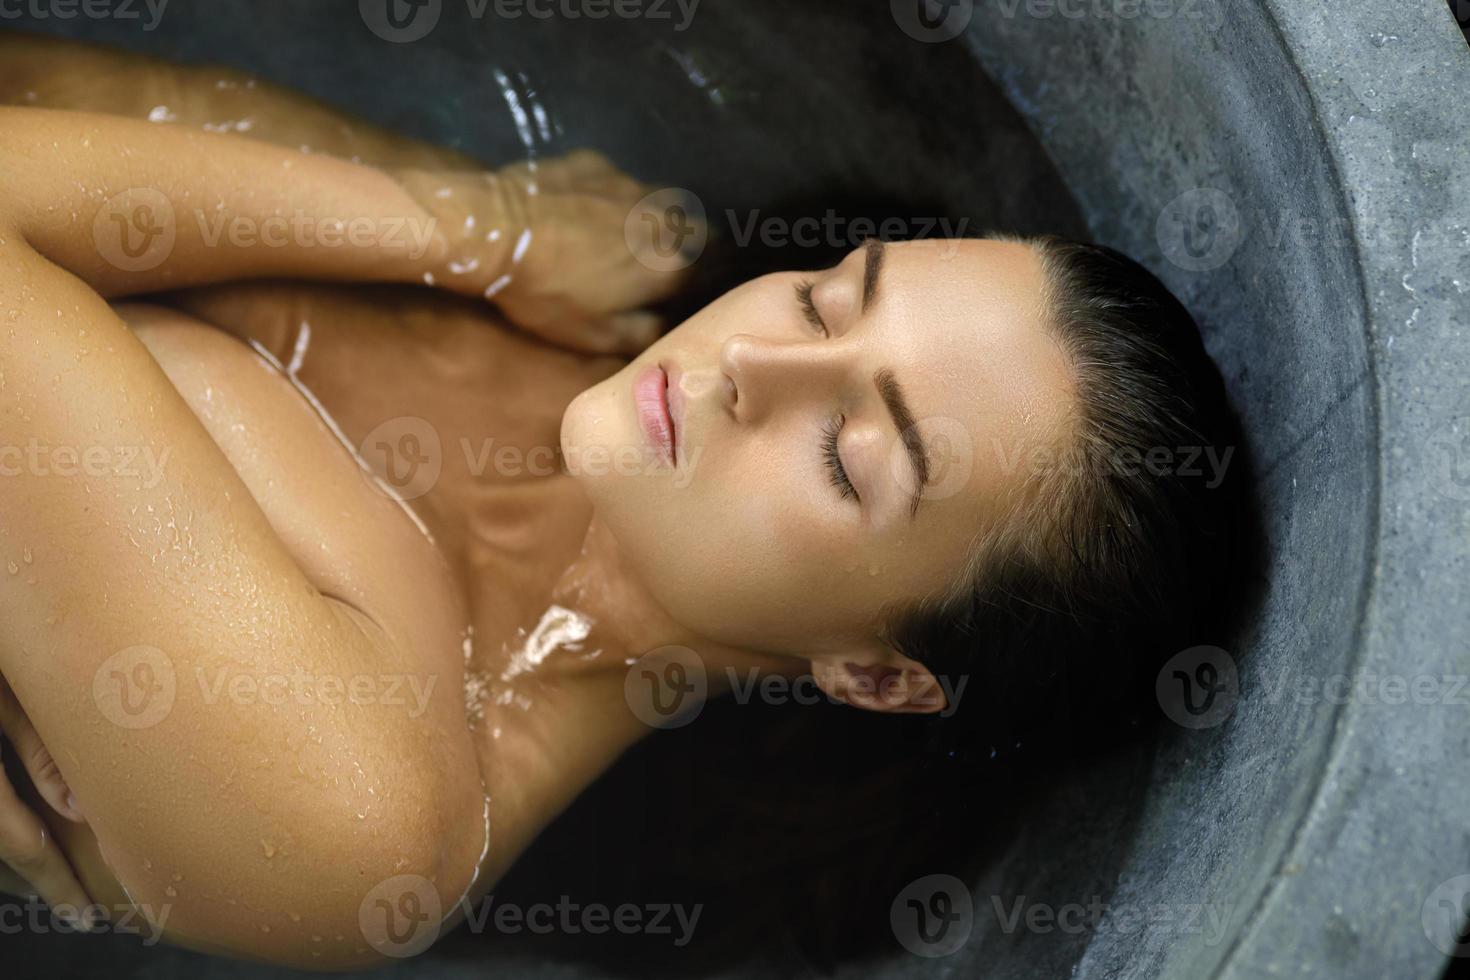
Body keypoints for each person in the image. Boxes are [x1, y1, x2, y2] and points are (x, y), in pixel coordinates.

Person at [0, 33, 1239, 968]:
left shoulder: (363, 819)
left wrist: (469, 227)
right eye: (826, 297)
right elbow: (38, 86)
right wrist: (468, 220)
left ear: (875, 671)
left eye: (851, 453)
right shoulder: (571, 269)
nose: (754, 363)